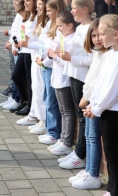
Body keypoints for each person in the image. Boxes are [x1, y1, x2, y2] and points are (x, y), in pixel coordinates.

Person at [84, 13, 118, 196]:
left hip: (113, 110)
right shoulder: (111, 55)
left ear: (115, 34)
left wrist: (98, 108)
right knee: (109, 151)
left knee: (111, 151)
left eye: (102, 34)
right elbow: (101, 84)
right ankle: (114, 189)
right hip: (105, 108)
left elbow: (113, 90)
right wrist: (94, 104)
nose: (99, 38)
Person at [69, 19, 106, 190]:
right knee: (90, 137)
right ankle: (89, 170)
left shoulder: (106, 55)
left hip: (96, 101)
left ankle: (93, 174)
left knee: (93, 138)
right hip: (91, 99)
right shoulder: (98, 53)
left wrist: (87, 97)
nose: (97, 39)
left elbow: (99, 81)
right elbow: (91, 77)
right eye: (93, 35)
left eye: (100, 35)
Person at [58, 0, 94, 168]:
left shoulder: (90, 29)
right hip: (73, 74)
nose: (71, 11)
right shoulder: (80, 28)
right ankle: (78, 151)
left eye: (74, 8)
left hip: (82, 77)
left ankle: (81, 154)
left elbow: (92, 59)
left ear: (85, 9)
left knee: (82, 116)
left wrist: (72, 58)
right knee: (79, 115)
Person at [46, 10, 76, 156]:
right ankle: (62, 138)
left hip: (64, 80)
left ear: (70, 25)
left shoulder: (71, 40)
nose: (58, 29)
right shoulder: (63, 38)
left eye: (60, 26)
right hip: (57, 79)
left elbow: (67, 63)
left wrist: (55, 56)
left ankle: (67, 141)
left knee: (67, 111)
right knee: (63, 110)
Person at [35, 0, 64, 146]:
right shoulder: (49, 25)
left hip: (51, 67)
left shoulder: (59, 28)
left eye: (49, 10)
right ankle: (50, 129)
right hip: (45, 65)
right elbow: (43, 43)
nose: (46, 13)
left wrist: (44, 62)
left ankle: (54, 132)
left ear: (57, 10)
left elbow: (55, 49)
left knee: (51, 100)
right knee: (47, 97)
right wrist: (40, 58)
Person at [26, 0, 54, 134]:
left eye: (41, 5)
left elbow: (45, 44)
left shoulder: (49, 24)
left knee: (42, 90)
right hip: (36, 58)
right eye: (37, 5)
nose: (38, 8)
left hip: (43, 60)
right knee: (36, 88)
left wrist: (29, 44)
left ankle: (44, 120)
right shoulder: (40, 20)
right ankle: (39, 118)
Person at [11, 0, 38, 116]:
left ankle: (29, 104)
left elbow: (32, 35)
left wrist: (24, 40)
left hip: (30, 50)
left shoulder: (36, 17)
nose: (26, 3)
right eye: (25, 1)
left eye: (28, 1)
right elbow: (21, 31)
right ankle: (24, 100)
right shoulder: (27, 16)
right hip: (24, 49)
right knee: (16, 75)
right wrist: (16, 43)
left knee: (29, 78)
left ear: (34, 2)